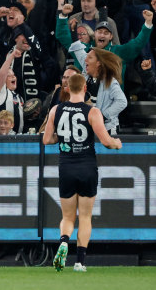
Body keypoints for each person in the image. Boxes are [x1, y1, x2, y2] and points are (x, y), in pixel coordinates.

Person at [43, 74, 121, 272]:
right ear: (85, 88)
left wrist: (63, 140)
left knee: (68, 217)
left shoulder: (55, 109)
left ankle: (63, 242)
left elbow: (47, 140)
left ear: (67, 88)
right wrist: (116, 144)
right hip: (86, 166)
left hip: (66, 166)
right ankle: (80, 262)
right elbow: (105, 140)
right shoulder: (92, 111)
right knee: (85, 217)